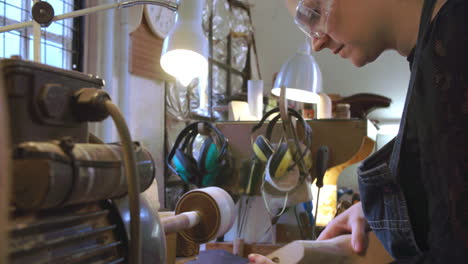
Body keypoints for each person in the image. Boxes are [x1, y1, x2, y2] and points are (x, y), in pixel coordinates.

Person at [248, 0, 467, 263]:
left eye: (313, 13)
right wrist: (377, 217)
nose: (316, 43)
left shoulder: (456, 51)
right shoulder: (438, 55)